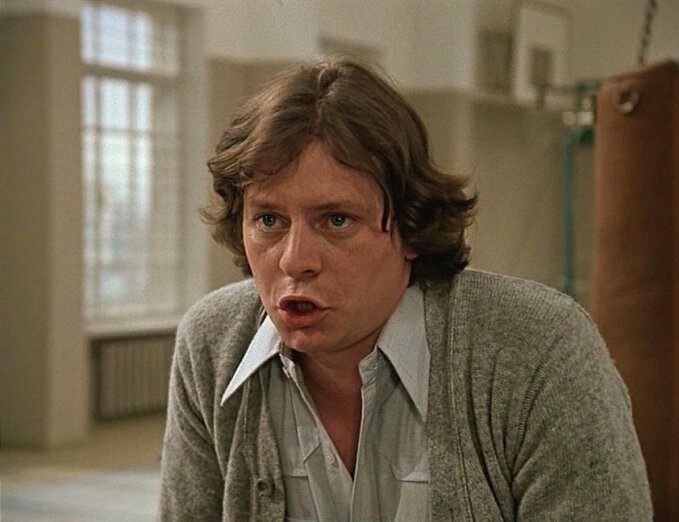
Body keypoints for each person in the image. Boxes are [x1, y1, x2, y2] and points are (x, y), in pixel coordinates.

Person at [159, 57, 652, 521]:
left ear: (411, 228)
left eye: (336, 220)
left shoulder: (535, 348)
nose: (295, 259)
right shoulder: (213, 343)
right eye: (269, 220)